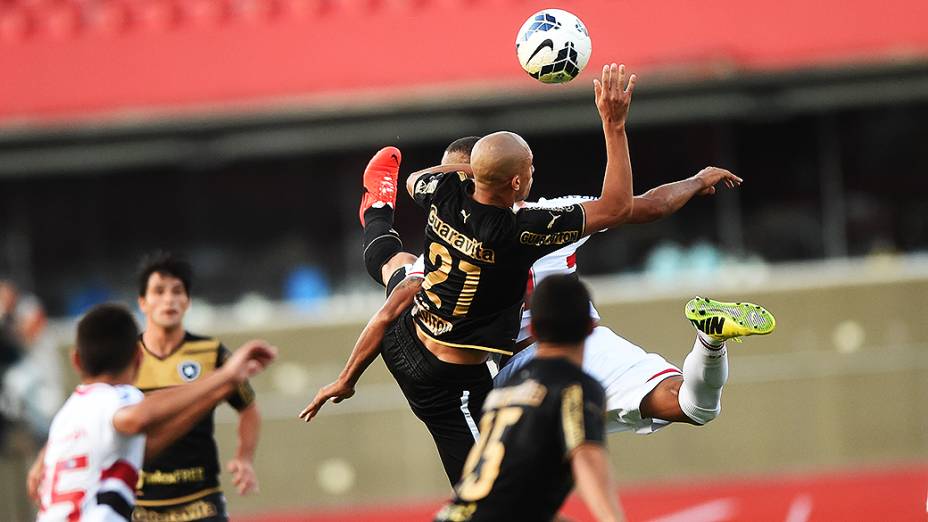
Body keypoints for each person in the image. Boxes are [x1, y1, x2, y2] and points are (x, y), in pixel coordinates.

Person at [303, 63, 639, 485]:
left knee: (394, 267)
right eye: (530, 169)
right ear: (516, 182)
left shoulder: (441, 193)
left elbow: (415, 185)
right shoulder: (522, 231)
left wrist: (345, 379)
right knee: (490, 492)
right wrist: (614, 125)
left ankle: (375, 211)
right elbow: (618, 207)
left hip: (404, 336)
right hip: (454, 379)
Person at [28, 304, 276, 522]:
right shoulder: (118, 397)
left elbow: (146, 448)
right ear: (138, 358)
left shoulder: (68, 413)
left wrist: (219, 390)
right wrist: (223, 375)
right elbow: (138, 418)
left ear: (76, 361)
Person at [435, 275, 622, 522]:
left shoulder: (504, 390)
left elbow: (504, 494)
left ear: (533, 329)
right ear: (590, 326)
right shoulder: (575, 385)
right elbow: (586, 455)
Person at [131, 253, 262, 521]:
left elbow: (248, 407)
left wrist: (244, 457)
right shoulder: (125, 357)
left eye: (177, 291)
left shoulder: (211, 352)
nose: (169, 299)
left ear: (187, 301)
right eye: (159, 291)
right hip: (141, 505)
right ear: (142, 302)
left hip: (201, 501)